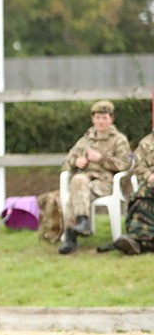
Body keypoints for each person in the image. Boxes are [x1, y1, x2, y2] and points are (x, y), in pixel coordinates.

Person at [57, 99, 131, 254]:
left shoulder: (119, 140)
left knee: (75, 192)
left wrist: (101, 159)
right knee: (78, 181)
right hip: (84, 182)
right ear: (93, 119)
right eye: (97, 117)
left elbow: (125, 165)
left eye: (104, 118)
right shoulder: (85, 140)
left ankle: (71, 237)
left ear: (111, 119)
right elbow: (65, 162)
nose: (101, 121)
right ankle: (81, 224)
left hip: (107, 183)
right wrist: (76, 161)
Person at [111, 115, 154, 255]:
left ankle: (138, 241)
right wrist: (149, 175)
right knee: (141, 199)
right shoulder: (147, 143)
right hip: (150, 184)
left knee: (143, 193)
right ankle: (136, 239)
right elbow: (137, 165)